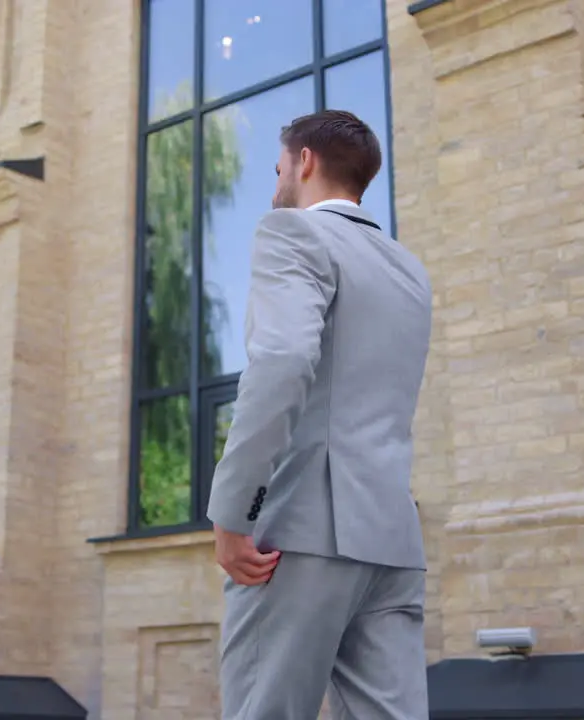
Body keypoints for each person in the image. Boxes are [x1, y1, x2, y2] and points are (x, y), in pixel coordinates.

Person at [207, 109, 432, 719]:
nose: (274, 182)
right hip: (392, 542)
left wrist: (232, 512)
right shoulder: (408, 270)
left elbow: (282, 360)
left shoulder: (291, 232)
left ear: (304, 162)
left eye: (278, 166)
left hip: (304, 531)